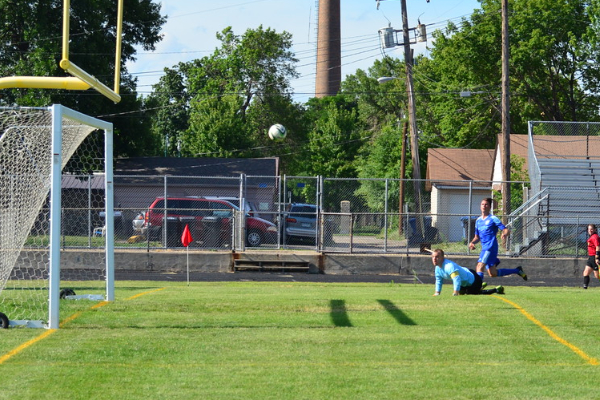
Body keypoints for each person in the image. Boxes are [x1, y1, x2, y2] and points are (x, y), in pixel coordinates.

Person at [468, 197, 527, 282]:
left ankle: (478, 286)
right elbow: (477, 237)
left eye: (486, 204)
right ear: (480, 206)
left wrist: (505, 233)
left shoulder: (493, 218)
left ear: (490, 207)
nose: (484, 206)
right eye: (482, 204)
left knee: (479, 266)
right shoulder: (478, 221)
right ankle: (517, 270)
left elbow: (505, 229)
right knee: (493, 273)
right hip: (484, 247)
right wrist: (472, 242)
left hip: (490, 247)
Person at [431, 248, 504, 296]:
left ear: (442, 258)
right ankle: (482, 285)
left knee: (473, 293)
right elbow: (439, 281)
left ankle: (496, 289)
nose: (434, 259)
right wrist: (437, 293)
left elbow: (457, 279)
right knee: (462, 293)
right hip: (464, 282)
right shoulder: (437, 268)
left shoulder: (449, 266)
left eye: (437, 257)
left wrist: (455, 292)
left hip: (474, 280)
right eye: (433, 257)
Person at [582, 224, 600, 289]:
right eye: (589, 229)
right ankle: (585, 288)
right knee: (586, 273)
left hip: (595, 257)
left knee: (597, 276)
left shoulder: (595, 237)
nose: (590, 230)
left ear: (595, 229)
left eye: (591, 229)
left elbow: (598, 246)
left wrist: (597, 258)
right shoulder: (591, 237)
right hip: (591, 257)